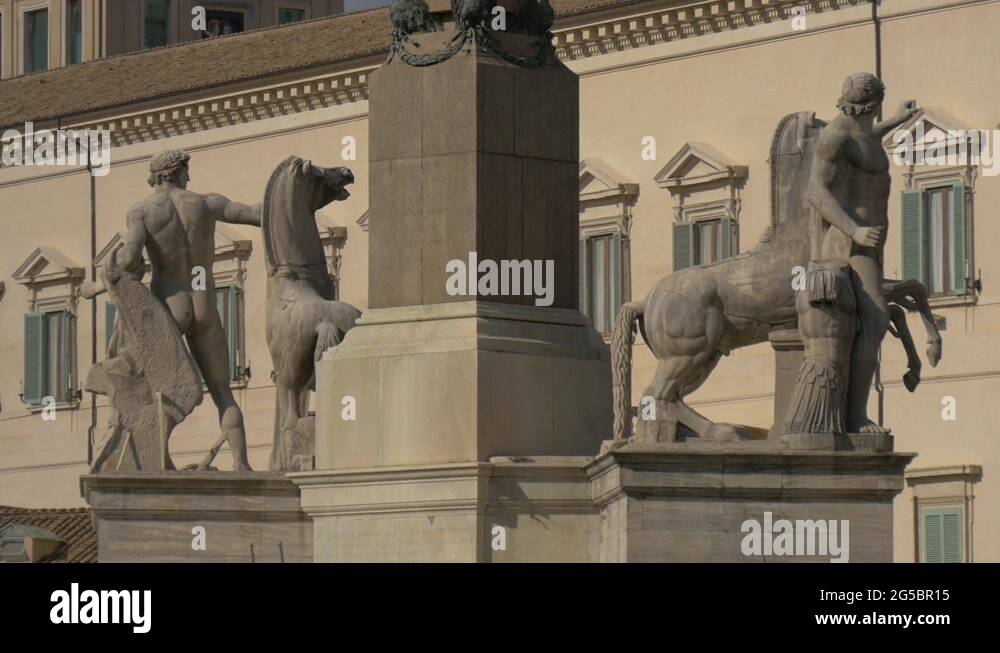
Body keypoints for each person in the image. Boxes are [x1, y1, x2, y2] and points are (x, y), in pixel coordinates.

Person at [85, 150, 260, 470]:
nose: (189, 177)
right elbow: (255, 213)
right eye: (186, 171)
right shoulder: (208, 204)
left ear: (156, 176)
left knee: (153, 391)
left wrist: (105, 280)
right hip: (204, 304)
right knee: (223, 392)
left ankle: (152, 457)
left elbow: (126, 259)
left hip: (170, 306)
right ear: (177, 172)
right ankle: (242, 465)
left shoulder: (141, 211)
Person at [807, 73, 919, 433]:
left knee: (871, 323)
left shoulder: (861, 130)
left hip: (870, 243)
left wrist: (896, 122)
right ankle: (855, 417)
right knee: (873, 321)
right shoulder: (835, 136)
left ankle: (854, 413)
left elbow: (867, 139)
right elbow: (816, 192)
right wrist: (853, 229)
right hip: (849, 245)